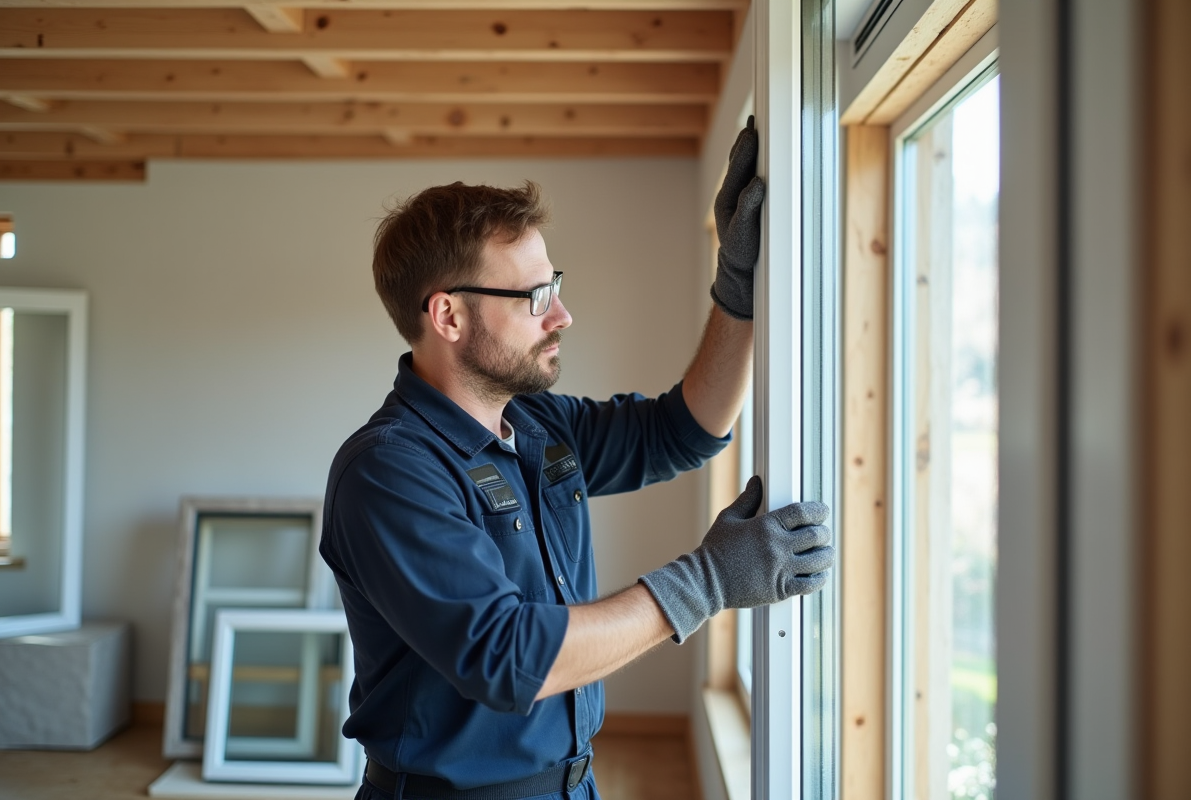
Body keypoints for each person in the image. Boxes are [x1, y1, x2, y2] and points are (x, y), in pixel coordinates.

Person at [320, 119, 835, 800]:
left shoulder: (533, 422)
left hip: (573, 784)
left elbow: (680, 431)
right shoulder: (389, 472)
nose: (562, 314)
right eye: (535, 297)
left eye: (553, 283)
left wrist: (736, 286)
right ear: (448, 316)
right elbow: (508, 657)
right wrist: (707, 581)